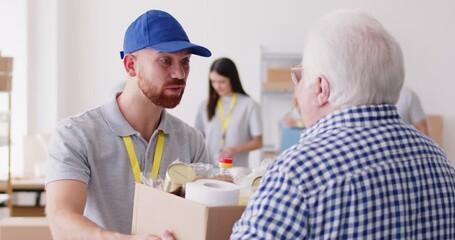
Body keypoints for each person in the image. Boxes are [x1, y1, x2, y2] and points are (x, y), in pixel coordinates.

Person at [231, 9, 455, 239]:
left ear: (321, 89)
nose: (296, 89)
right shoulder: (439, 161)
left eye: (300, 77)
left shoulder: (298, 173)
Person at [45, 9, 211, 239]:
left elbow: (204, 219)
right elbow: (61, 221)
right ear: (130, 65)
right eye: (165, 60)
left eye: (185, 62)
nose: (180, 73)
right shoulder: (75, 134)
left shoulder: (192, 141)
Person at [194, 57, 263, 168]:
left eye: (222, 82)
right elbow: (197, 137)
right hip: (209, 170)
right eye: (213, 82)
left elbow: (258, 142)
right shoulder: (205, 105)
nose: (217, 86)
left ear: (232, 79)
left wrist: (235, 149)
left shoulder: (249, 105)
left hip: (237, 171)